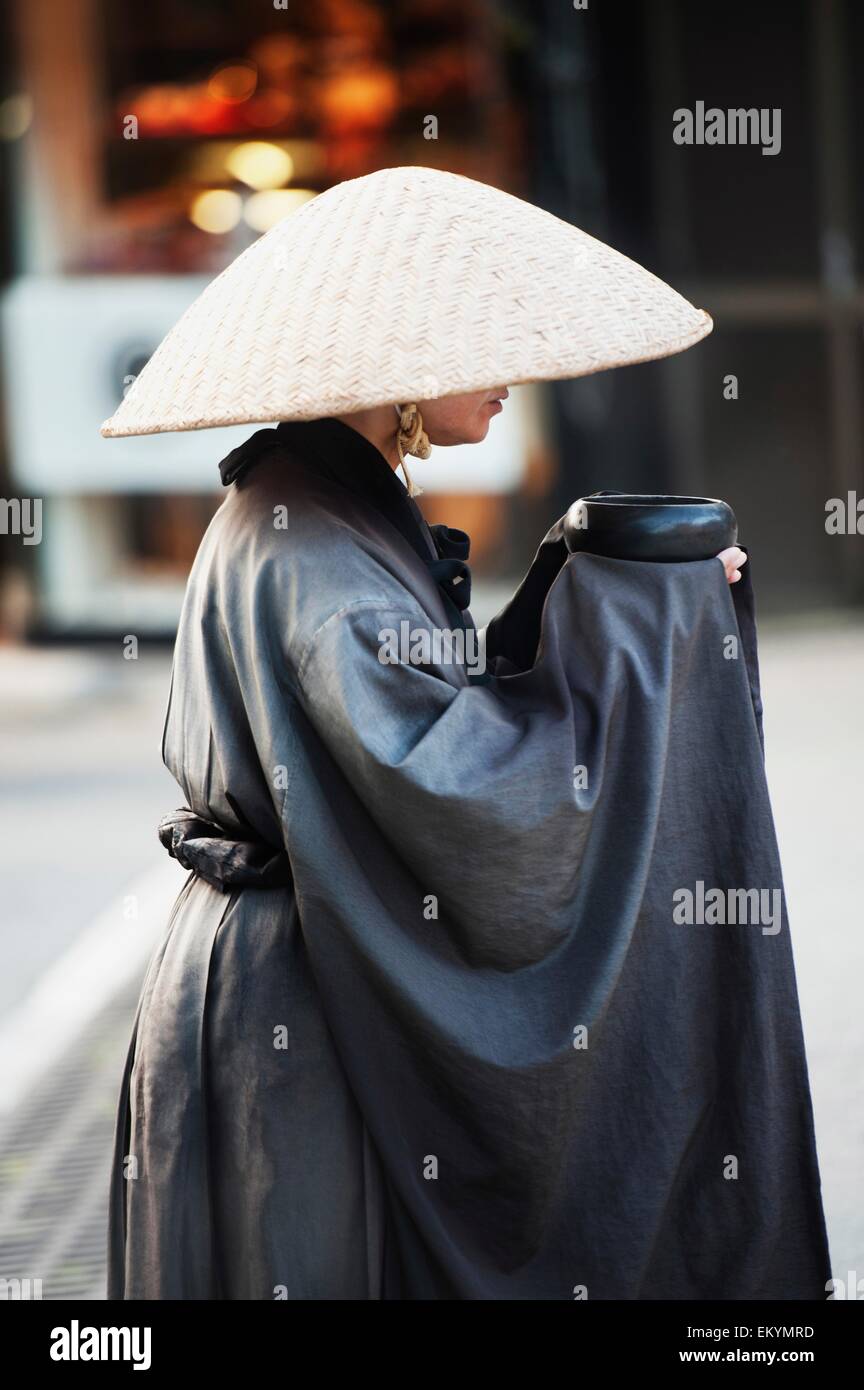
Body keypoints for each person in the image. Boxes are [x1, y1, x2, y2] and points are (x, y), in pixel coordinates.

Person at [103, 168, 830, 1300]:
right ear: (399, 366)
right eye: (484, 351)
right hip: (300, 1010)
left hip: (300, 970)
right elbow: (472, 787)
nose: (512, 380)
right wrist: (642, 629)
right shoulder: (317, 549)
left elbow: (432, 704)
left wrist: (583, 597)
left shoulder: (315, 501)